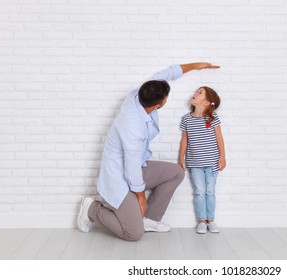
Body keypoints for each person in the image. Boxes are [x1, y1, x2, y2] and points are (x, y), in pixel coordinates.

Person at [77, 62, 220, 241]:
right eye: (167, 98)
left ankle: (149, 219)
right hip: (119, 177)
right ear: (158, 106)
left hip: (135, 166)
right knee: (133, 234)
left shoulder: (144, 92)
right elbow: (132, 168)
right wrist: (141, 198)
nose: (167, 98)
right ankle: (92, 209)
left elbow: (170, 73)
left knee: (176, 173)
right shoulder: (132, 129)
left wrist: (197, 65)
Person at [178, 86, 226, 234]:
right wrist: (181, 157)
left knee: (210, 191)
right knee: (199, 191)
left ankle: (210, 220)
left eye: (200, 93)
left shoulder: (213, 118)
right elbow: (184, 140)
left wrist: (223, 156)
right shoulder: (186, 119)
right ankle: (201, 221)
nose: (195, 93)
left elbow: (219, 138)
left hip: (212, 163)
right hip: (195, 163)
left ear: (206, 102)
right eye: (196, 91)